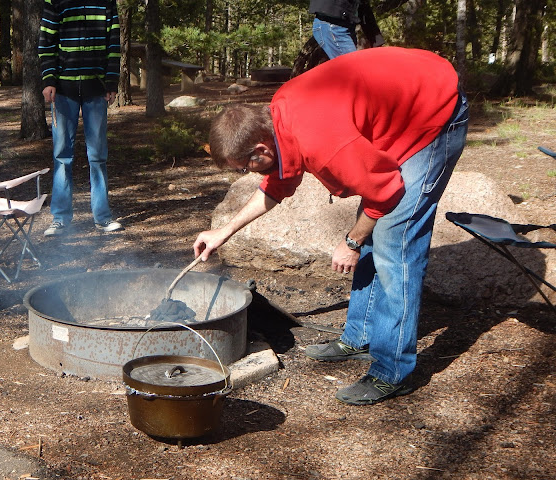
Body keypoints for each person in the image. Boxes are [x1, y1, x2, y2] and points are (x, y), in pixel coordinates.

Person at [193, 47, 469, 406]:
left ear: (261, 149)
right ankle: (360, 337)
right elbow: (277, 184)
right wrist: (224, 231)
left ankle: (392, 372)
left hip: (433, 110)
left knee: (394, 241)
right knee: (376, 227)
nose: (247, 174)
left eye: (244, 168)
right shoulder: (277, 120)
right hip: (402, 101)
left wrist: (351, 242)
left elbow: (385, 192)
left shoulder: (322, 142)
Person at [38, 0, 123, 236]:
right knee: (62, 156)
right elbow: (46, 42)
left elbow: (113, 43)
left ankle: (102, 218)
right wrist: (49, 80)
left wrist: (111, 82)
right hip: (63, 91)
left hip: (96, 90)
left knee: (98, 156)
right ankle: (60, 218)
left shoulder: (106, 2)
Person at [309, 0, 385, 59]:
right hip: (333, 26)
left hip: (346, 27)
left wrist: (376, 42)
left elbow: (364, 8)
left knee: (351, 70)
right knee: (353, 70)